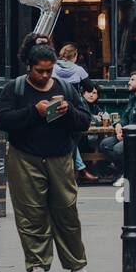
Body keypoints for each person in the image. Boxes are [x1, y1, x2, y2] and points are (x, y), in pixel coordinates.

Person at [0, 44, 94, 272]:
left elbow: (84, 121)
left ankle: (77, 267)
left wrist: (68, 110)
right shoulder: (14, 88)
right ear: (29, 67)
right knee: (30, 214)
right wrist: (33, 111)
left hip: (60, 156)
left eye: (49, 71)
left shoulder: (66, 90)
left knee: (67, 211)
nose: (46, 76)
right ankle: (37, 267)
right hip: (24, 157)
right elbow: (3, 120)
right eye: (40, 71)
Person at [53, 44, 94, 182]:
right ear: (75, 56)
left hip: (56, 106)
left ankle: (72, 170)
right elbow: (89, 87)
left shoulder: (53, 68)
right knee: (73, 138)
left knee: (61, 137)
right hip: (74, 107)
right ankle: (76, 170)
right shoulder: (78, 69)